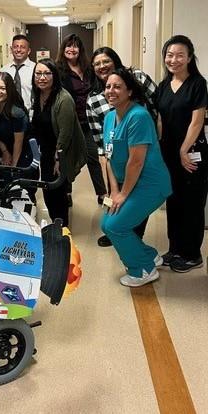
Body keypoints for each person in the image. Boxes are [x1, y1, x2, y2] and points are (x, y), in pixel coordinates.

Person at [101, 68, 172, 287]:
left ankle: (143, 270)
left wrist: (123, 194)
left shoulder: (138, 116)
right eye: (108, 86)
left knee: (115, 225)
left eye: (117, 87)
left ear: (130, 91)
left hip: (151, 184)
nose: (111, 91)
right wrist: (114, 191)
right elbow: (109, 156)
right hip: (128, 184)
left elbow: (136, 161)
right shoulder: (110, 117)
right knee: (107, 223)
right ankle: (149, 255)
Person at [87, 46, 157, 247]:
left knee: (138, 194)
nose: (102, 66)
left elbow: (158, 101)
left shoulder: (137, 78)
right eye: (97, 64)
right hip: (115, 157)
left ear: (115, 60)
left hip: (143, 150)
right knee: (114, 192)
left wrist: (158, 123)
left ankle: (135, 235)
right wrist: (104, 161)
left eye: (106, 61)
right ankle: (116, 229)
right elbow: (99, 137)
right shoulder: (95, 98)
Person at [155, 35, 208, 272]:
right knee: (174, 200)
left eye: (179, 55)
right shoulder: (164, 85)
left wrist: (184, 150)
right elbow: (160, 120)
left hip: (191, 152)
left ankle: (192, 254)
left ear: (189, 57)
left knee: (192, 203)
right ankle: (175, 248)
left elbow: (197, 122)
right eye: (169, 55)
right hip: (169, 153)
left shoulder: (198, 83)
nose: (173, 60)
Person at [31, 58, 87, 227]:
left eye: (47, 73)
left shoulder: (63, 99)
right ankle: (56, 225)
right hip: (46, 151)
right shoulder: (39, 95)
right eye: (38, 73)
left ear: (54, 75)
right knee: (48, 191)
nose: (42, 77)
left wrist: (58, 159)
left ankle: (62, 231)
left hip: (60, 152)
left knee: (57, 193)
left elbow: (65, 133)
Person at [56, 34, 106, 207]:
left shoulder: (89, 69)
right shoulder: (59, 70)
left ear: (80, 50)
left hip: (89, 122)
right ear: (64, 49)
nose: (72, 49)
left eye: (75, 46)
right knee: (68, 157)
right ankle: (67, 192)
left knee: (93, 157)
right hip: (70, 122)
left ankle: (101, 193)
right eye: (68, 46)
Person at [0, 71, 32, 169]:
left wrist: (13, 167)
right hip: (2, 154)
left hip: (21, 157)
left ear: (9, 90)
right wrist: (5, 152)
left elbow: (18, 143)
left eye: (3, 88)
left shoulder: (17, 113)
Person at [1, 34, 35, 112]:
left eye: (22, 47)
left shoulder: (35, 69)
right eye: (16, 47)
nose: (18, 50)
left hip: (30, 116)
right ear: (11, 49)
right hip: (8, 115)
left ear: (29, 51)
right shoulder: (3, 71)